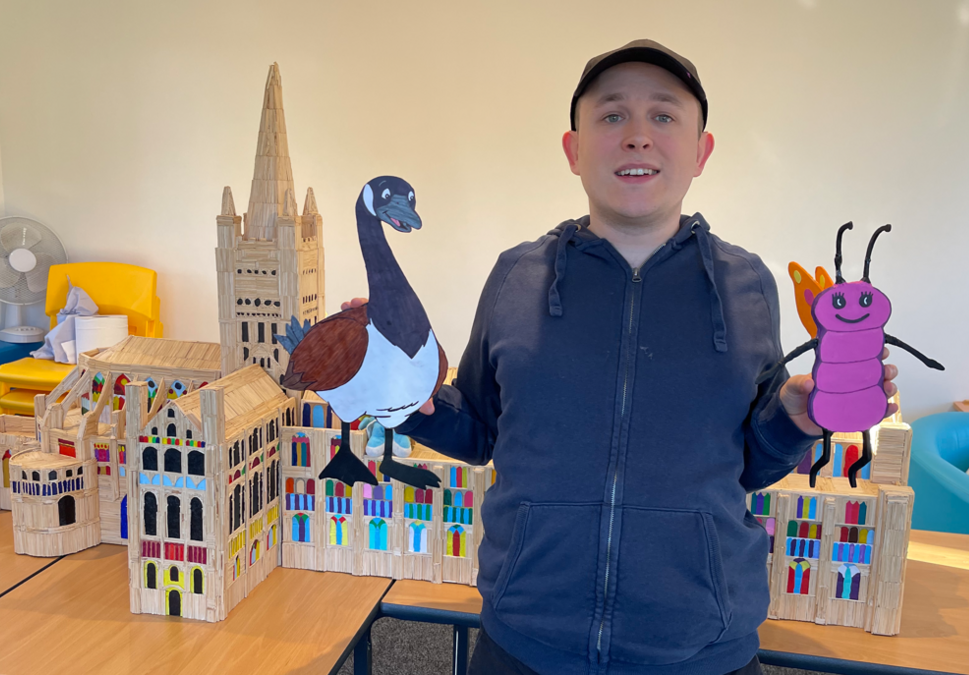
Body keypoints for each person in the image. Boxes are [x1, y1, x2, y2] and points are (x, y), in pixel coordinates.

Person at [348, 39, 901, 675]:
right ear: (573, 149)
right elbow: (477, 429)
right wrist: (399, 394)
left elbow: (749, 464)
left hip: (702, 652)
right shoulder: (516, 276)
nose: (638, 135)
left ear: (701, 151)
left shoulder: (748, 286)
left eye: (663, 116)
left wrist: (794, 422)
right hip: (526, 643)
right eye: (612, 116)